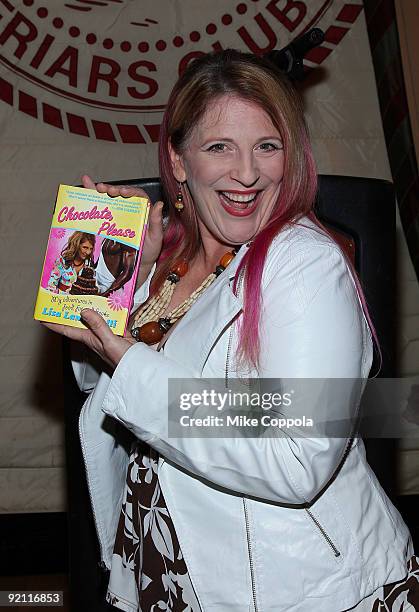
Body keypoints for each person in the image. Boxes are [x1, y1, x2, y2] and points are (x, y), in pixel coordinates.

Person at [44, 50, 418, 611]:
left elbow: (299, 456)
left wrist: (132, 365)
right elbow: (108, 393)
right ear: (176, 160)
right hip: (164, 566)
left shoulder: (303, 264)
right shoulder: (171, 255)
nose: (247, 173)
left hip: (292, 590)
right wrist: (124, 279)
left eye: (267, 146)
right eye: (220, 147)